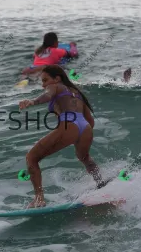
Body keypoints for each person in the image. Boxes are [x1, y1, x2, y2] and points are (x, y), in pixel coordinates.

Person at [18, 65, 106, 208]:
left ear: (57, 78)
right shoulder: (76, 92)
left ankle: (39, 199)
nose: (44, 84)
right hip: (86, 127)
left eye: (45, 80)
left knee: (31, 158)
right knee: (85, 158)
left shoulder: (55, 86)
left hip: (69, 125)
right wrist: (77, 134)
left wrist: (33, 101)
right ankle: (101, 184)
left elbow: (47, 95)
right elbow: (90, 120)